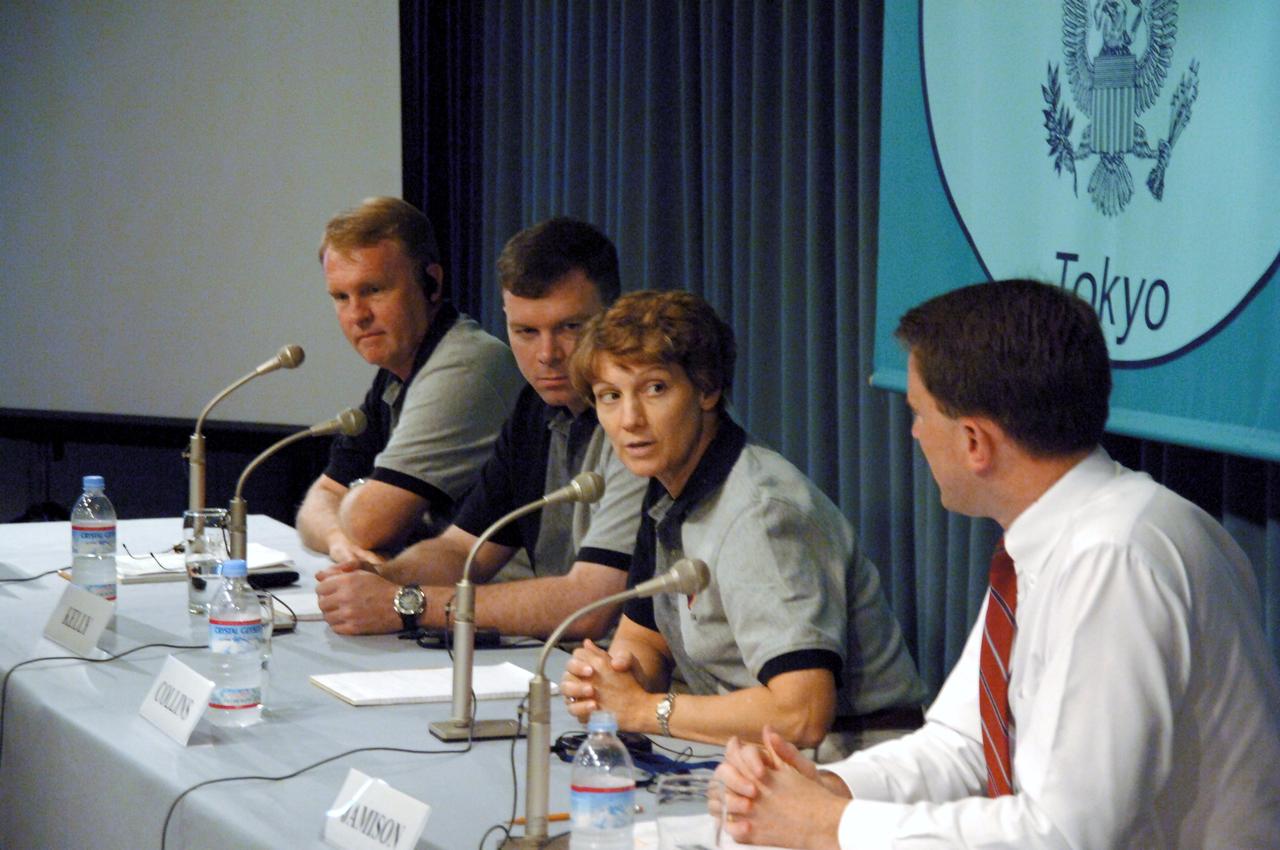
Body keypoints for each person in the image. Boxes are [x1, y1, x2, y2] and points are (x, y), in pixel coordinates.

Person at [715, 279, 1280, 849]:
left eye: (919, 414)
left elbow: (1064, 836)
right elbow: (964, 745)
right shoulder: (1057, 538)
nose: (914, 433)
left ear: (974, 442)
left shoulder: (1115, 558)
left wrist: (828, 825)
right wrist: (826, 788)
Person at [558, 290, 926, 756]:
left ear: (706, 390)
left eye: (654, 389)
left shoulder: (760, 512)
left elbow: (802, 713)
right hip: (757, 758)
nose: (630, 419)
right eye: (610, 396)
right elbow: (646, 639)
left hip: (853, 763)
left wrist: (643, 709)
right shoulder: (669, 482)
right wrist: (612, 681)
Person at [315, 217, 648, 638]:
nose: (547, 354)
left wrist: (406, 603)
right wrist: (378, 579)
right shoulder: (535, 408)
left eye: (570, 327)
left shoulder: (639, 422)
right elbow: (462, 549)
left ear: (612, 316)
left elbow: (589, 606)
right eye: (526, 331)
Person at [296, 197, 523, 563]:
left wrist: (355, 506)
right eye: (341, 297)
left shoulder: (465, 366)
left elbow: (371, 524)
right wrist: (339, 541)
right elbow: (318, 502)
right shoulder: (395, 374)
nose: (357, 315)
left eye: (373, 290)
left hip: (504, 592)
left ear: (431, 283)